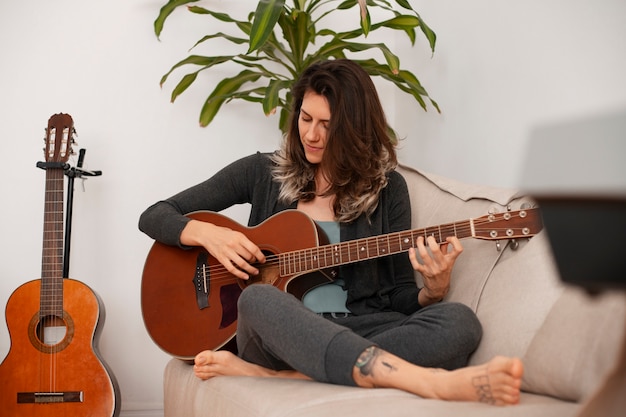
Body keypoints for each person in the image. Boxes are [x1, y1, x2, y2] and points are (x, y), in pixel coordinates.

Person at [139, 58, 523, 405]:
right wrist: (209, 235)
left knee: (459, 322)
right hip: (278, 331)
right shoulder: (262, 172)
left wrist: (432, 291)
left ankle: (285, 376)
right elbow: (155, 214)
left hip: (360, 326)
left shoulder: (388, 189)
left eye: (327, 125)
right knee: (257, 299)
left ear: (355, 130)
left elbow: (400, 297)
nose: (311, 135)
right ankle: (425, 382)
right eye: (306, 119)